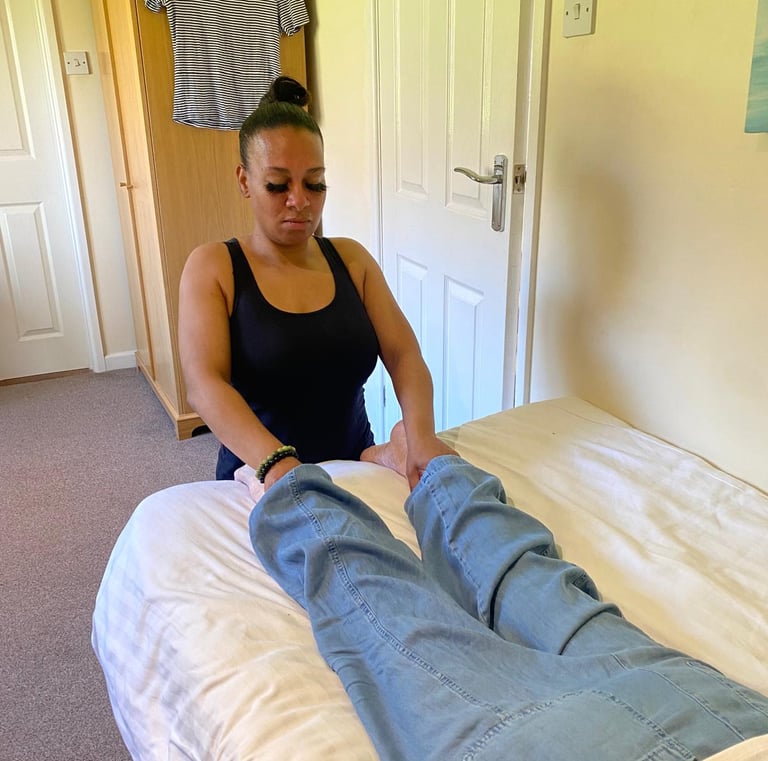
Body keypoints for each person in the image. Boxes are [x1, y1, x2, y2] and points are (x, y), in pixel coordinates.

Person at [249, 450, 768, 761]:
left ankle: (429, 468)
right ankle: (400, 466)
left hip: (719, 712)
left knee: (526, 583)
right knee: (392, 613)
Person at [178, 76, 454, 488]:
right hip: (260, 473)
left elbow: (403, 355)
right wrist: (279, 465)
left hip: (355, 466)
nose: (300, 201)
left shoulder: (352, 259)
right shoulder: (213, 267)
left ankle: (391, 451)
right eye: (277, 185)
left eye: (314, 183)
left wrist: (422, 436)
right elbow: (204, 385)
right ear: (244, 181)